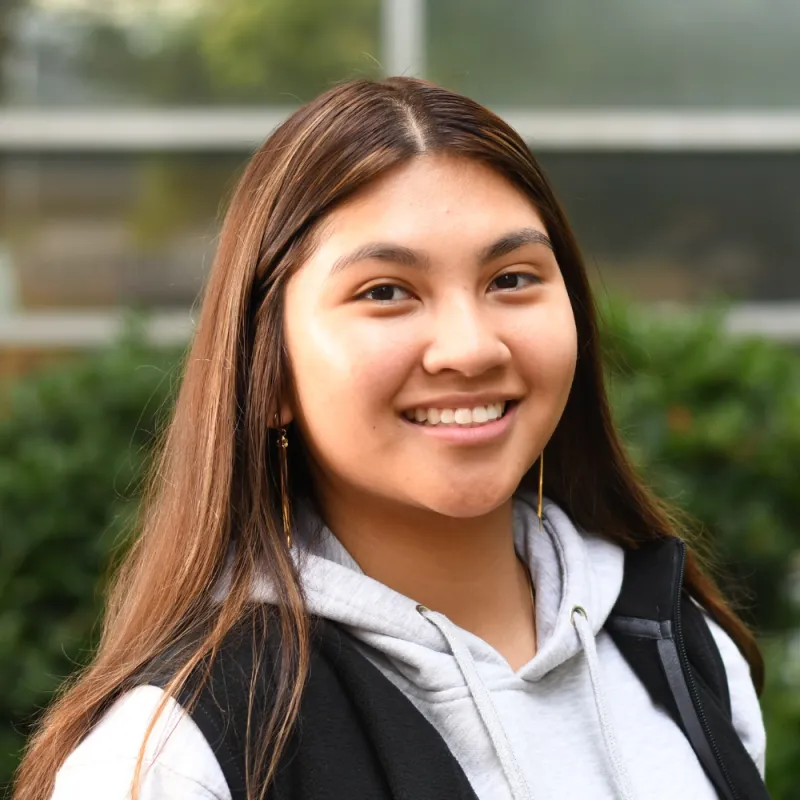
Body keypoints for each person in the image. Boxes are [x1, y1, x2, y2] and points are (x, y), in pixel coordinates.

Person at [15, 77, 766, 800]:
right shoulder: (185, 751)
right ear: (267, 375)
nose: (470, 349)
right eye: (386, 293)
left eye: (511, 279)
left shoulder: (677, 645)